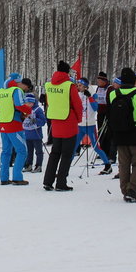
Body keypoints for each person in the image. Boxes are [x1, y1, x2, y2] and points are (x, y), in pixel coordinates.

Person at [108, 67, 136, 203]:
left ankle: (124, 189)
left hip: (119, 134)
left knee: (123, 164)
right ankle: (132, 189)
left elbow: (110, 115)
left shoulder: (113, 94)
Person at [43, 60, 84, 191]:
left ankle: (48, 181)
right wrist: (78, 119)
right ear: (67, 72)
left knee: (55, 152)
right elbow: (77, 104)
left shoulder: (49, 85)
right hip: (69, 122)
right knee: (66, 155)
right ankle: (61, 183)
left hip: (55, 122)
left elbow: (49, 101)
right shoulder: (69, 86)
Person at [0, 73, 32, 185]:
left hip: (3, 124)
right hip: (14, 124)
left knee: (6, 152)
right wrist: (28, 111)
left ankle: (4, 178)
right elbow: (19, 105)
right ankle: (17, 177)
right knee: (22, 151)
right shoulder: (15, 91)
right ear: (17, 82)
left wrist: (0, 113)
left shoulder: (0, 91)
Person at [72, 77, 113, 174]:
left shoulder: (93, 94)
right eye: (78, 85)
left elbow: (96, 108)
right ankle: (64, 168)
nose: (78, 87)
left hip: (90, 125)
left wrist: (89, 97)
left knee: (96, 147)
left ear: (86, 87)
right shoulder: (78, 94)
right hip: (80, 125)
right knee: (73, 147)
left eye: (80, 85)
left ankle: (107, 165)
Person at [21, 78, 47, 173]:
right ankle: (29, 165)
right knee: (29, 151)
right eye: (27, 103)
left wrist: (35, 120)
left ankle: (38, 165)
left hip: (36, 135)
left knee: (38, 151)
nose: (28, 104)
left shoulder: (38, 110)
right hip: (27, 134)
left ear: (33, 102)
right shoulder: (25, 110)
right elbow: (22, 120)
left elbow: (43, 121)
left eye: (30, 103)